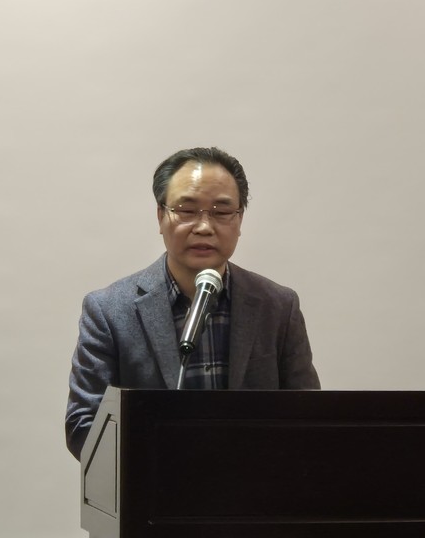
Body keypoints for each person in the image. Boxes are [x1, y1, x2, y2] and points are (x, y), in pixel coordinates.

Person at [65, 147, 320, 459]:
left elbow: (310, 417)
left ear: (239, 220)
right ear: (161, 216)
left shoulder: (278, 307)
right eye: (187, 210)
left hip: (254, 484)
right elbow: (84, 427)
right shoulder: (108, 311)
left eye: (221, 212)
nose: (204, 227)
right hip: (154, 485)